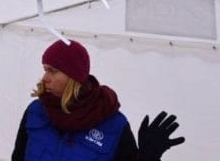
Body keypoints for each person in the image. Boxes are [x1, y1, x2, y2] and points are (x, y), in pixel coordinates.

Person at [12, 39, 185, 161]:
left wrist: (148, 158)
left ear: (74, 76)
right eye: (45, 69)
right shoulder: (36, 111)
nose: (45, 78)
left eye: (53, 71)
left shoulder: (114, 125)